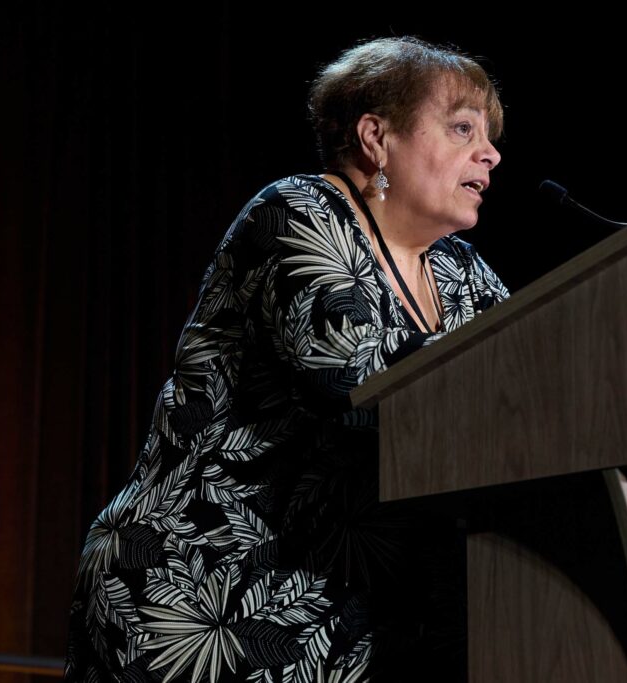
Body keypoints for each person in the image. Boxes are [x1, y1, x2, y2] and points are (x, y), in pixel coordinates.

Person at [64, 36, 507, 682]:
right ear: (376, 137)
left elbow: (526, 375)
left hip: (337, 614)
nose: (490, 152)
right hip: (194, 583)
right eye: (463, 127)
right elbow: (356, 379)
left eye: (490, 135)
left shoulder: (460, 272)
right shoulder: (298, 213)